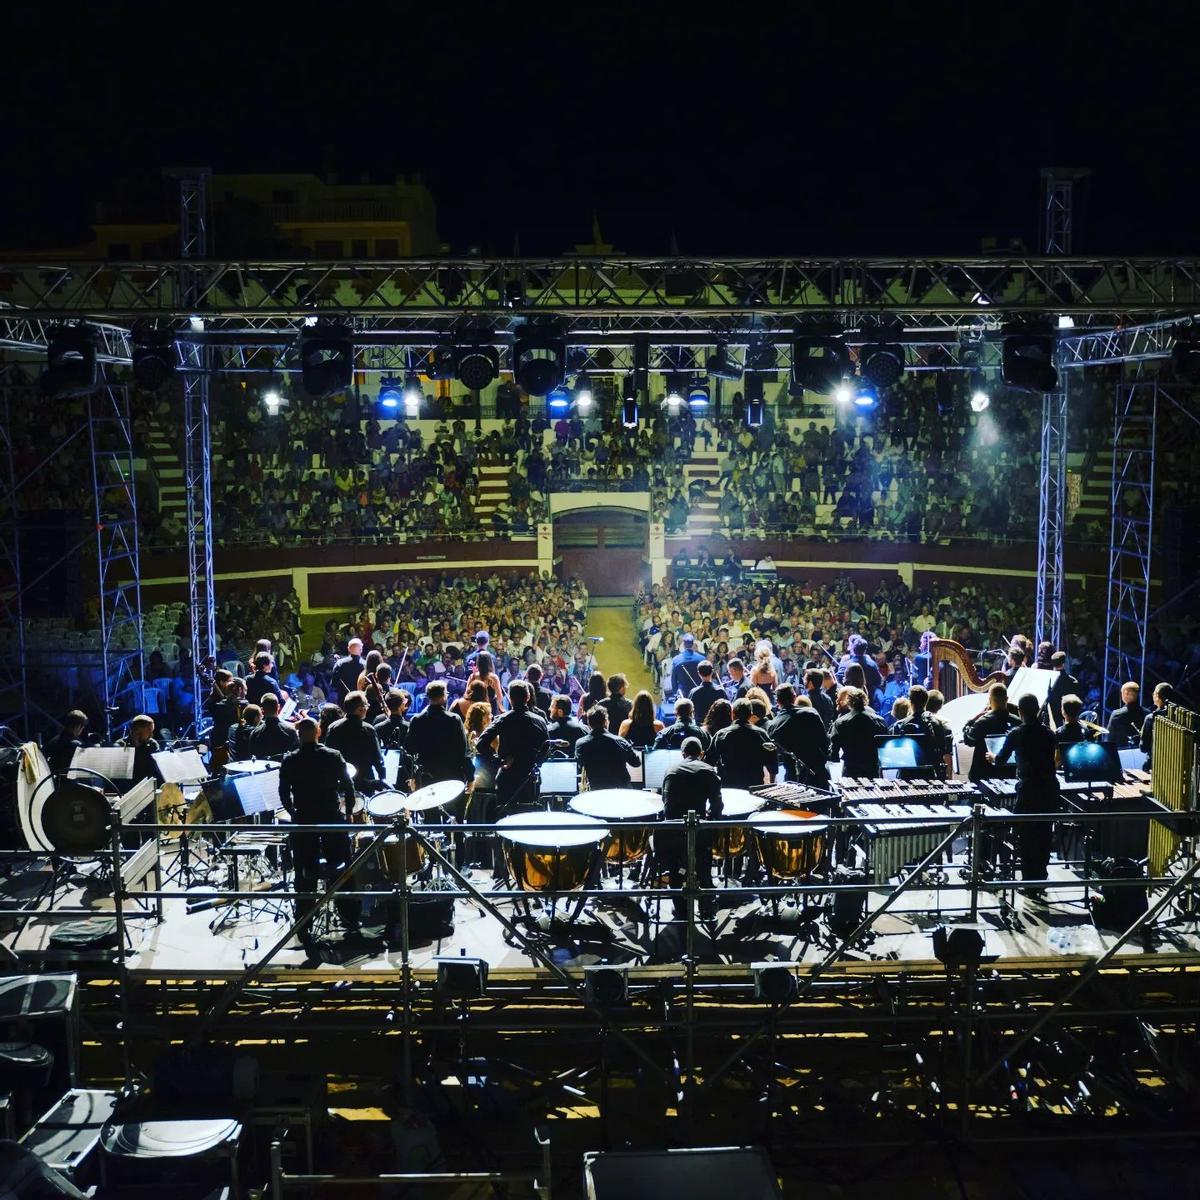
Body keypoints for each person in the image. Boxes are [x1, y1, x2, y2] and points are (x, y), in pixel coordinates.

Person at [278, 717, 360, 933]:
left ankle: (304, 920)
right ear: (319, 732)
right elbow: (349, 787)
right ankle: (349, 916)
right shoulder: (333, 756)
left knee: (303, 869)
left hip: (304, 819)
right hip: (331, 817)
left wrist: (293, 813)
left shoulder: (290, 760)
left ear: (298, 735)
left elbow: (283, 793)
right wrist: (349, 812)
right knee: (342, 867)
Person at [991, 692, 1060, 900]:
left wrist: (992, 757)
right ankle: (1041, 878)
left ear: (1020, 712)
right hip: (1049, 788)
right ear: (1038, 709)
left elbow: (1001, 760)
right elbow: (1056, 757)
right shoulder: (1049, 733)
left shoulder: (1016, 733)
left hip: (1029, 789)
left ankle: (1030, 883)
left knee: (1027, 835)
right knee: (1044, 833)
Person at [658, 737, 724, 916]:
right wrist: (709, 821)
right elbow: (718, 806)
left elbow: (666, 805)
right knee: (704, 866)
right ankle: (706, 906)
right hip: (700, 832)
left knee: (675, 870)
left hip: (674, 832)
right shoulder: (709, 770)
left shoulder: (670, 770)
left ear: (682, 753)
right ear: (701, 753)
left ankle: (680, 909)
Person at [476, 681, 549, 820]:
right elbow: (546, 748)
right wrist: (535, 763)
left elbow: (481, 744)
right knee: (529, 819)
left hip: (508, 776)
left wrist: (499, 761)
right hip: (530, 778)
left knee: (505, 819)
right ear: (528, 697)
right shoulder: (539, 721)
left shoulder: (502, 719)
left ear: (509, 697)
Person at [404, 680, 473, 788]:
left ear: (428, 697)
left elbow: (409, 749)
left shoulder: (416, 720)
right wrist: (470, 777)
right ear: (443, 696)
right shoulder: (453, 719)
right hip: (450, 776)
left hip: (426, 777)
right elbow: (463, 750)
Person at [767, 684, 830, 785]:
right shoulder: (811, 714)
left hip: (792, 778)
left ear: (777, 701)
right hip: (817, 772)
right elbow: (824, 742)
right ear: (794, 697)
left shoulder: (773, 725)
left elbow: (776, 754)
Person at [711, 697, 778, 789]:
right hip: (755, 786)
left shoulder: (721, 735)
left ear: (732, 714)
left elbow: (709, 761)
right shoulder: (761, 734)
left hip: (729, 786)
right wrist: (771, 782)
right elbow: (772, 760)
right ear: (750, 714)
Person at [325, 690, 385, 790]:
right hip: (364, 781)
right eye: (366, 705)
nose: (367, 708)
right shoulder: (368, 729)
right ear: (360, 709)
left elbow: (328, 755)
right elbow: (377, 758)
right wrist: (382, 779)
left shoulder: (333, 727)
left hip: (341, 781)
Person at [963, 682, 1019, 782]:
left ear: (989, 700)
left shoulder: (983, 721)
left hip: (983, 775)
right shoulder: (1017, 721)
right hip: (1009, 774)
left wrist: (972, 720)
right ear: (1007, 699)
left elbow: (968, 740)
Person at [575, 706, 641, 790]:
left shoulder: (581, 744)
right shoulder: (620, 741)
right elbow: (636, 763)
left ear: (589, 723)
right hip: (622, 790)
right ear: (606, 722)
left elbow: (579, 764)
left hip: (597, 791)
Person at [830, 687, 887, 778]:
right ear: (865, 701)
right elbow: (884, 747)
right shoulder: (880, 721)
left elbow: (834, 752)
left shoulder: (841, 722)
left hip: (851, 769)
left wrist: (834, 756)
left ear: (849, 702)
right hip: (872, 769)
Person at [248, 692, 300, 758]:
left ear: (262, 710)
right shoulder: (291, 731)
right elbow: (297, 755)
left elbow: (252, 757)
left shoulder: (255, 734)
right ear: (278, 707)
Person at [119, 714, 161, 783]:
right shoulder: (121, 745)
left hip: (148, 784)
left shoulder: (152, 744)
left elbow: (155, 769)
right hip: (126, 786)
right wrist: (136, 744)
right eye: (149, 731)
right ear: (137, 730)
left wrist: (138, 746)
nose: (152, 735)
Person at [1106, 682, 1147, 747]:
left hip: (1122, 754)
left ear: (1126, 693)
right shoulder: (1147, 713)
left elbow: (1109, 738)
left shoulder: (1117, 714)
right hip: (1143, 754)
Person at [1045, 651, 1080, 727]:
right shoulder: (1073, 681)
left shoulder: (1048, 681)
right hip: (1070, 719)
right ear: (1064, 663)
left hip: (1052, 721)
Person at [1054, 694, 1092, 762]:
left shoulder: (1059, 733)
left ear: (1063, 711)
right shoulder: (1085, 729)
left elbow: (1057, 760)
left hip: (1067, 769)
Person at [669, 633, 705, 697]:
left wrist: (675, 693)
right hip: (699, 692)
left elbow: (673, 679)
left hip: (683, 694)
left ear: (684, 644)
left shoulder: (676, 659)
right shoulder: (702, 658)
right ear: (693, 644)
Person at [688, 660, 724, 725]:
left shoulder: (694, 692)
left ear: (698, 673)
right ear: (712, 672)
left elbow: (689, 711)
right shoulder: (720, 691)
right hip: (717, 727)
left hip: (700, 728)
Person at [332, 638, 365, 704]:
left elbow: (333, 684)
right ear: (361, 649)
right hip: (360, 700)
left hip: (343, 700)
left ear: (348, 649)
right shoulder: (366, 665)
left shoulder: (339, 663)